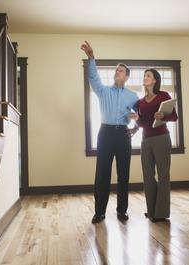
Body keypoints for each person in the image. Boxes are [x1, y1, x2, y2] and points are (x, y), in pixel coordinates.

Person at [81, 41, 139, 223]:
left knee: (123, 174)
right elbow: (93, 77)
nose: (117, 72)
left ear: (127, 76)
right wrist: (91, 58)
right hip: (105, 134)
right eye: (116, 70)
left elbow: (141, 115)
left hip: (123, 135)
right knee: (102, 174)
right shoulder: (103, 91)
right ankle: (100, 212)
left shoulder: (132, 96)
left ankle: (122, 211)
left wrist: (135, 125)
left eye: (120, 70)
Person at [130, 68, 177, 222]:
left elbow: (174, 116)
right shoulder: (141, 102)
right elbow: (142, 124)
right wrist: (136, 119)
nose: (145, 77)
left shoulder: (164, 95)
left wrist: (163, 115)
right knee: (148, 176)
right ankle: (152, 211)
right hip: (146, 140)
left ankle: (161, 213)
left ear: (155, 80)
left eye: (148, 75)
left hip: (161, 138)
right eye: (144, 76)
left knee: (163, 176)